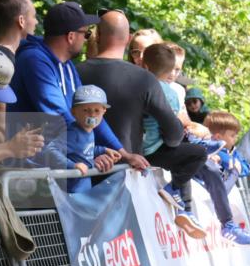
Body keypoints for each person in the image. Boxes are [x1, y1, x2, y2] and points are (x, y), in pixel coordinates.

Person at [9, 2, 145, 171]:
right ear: (71, 36)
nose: (87, 40)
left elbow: (89, 109)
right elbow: (60, 116)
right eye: (86, 34)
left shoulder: (67, 64)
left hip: (58, 161)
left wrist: (123, 153)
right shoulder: (34, 60)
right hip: (30, 168)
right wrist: (86, 153)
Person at [75, 10, 175, 164]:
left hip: (80, 166)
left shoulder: (74, 72)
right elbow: (174, 134)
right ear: (128, 39)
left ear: (98, 36)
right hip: (127, 169)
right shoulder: (145, 79)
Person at [139, 44, 209, 239]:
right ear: (170, 70)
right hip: (155, 149)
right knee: (198, 153)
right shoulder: (169, 93)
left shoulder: (134, 83)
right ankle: (175, 190)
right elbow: (173, 126)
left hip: (135, 147)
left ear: (145, 65)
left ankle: (183, 207)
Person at [36, 85, 121, 193]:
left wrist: (104, 150)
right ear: (73, 112)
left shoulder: (89, 130)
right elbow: (51, 150)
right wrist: (73, 165)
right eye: (86, 110)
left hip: (83, 188)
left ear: (104, 111)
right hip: (71, 191)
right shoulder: (73, 133)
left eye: (97, 110)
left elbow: (83, 149)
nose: (92, 115)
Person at [0, 0, 38, 143]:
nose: (36, 22)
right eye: (34, 16)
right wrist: (1, 151)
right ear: (21, 21)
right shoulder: (3, 59)